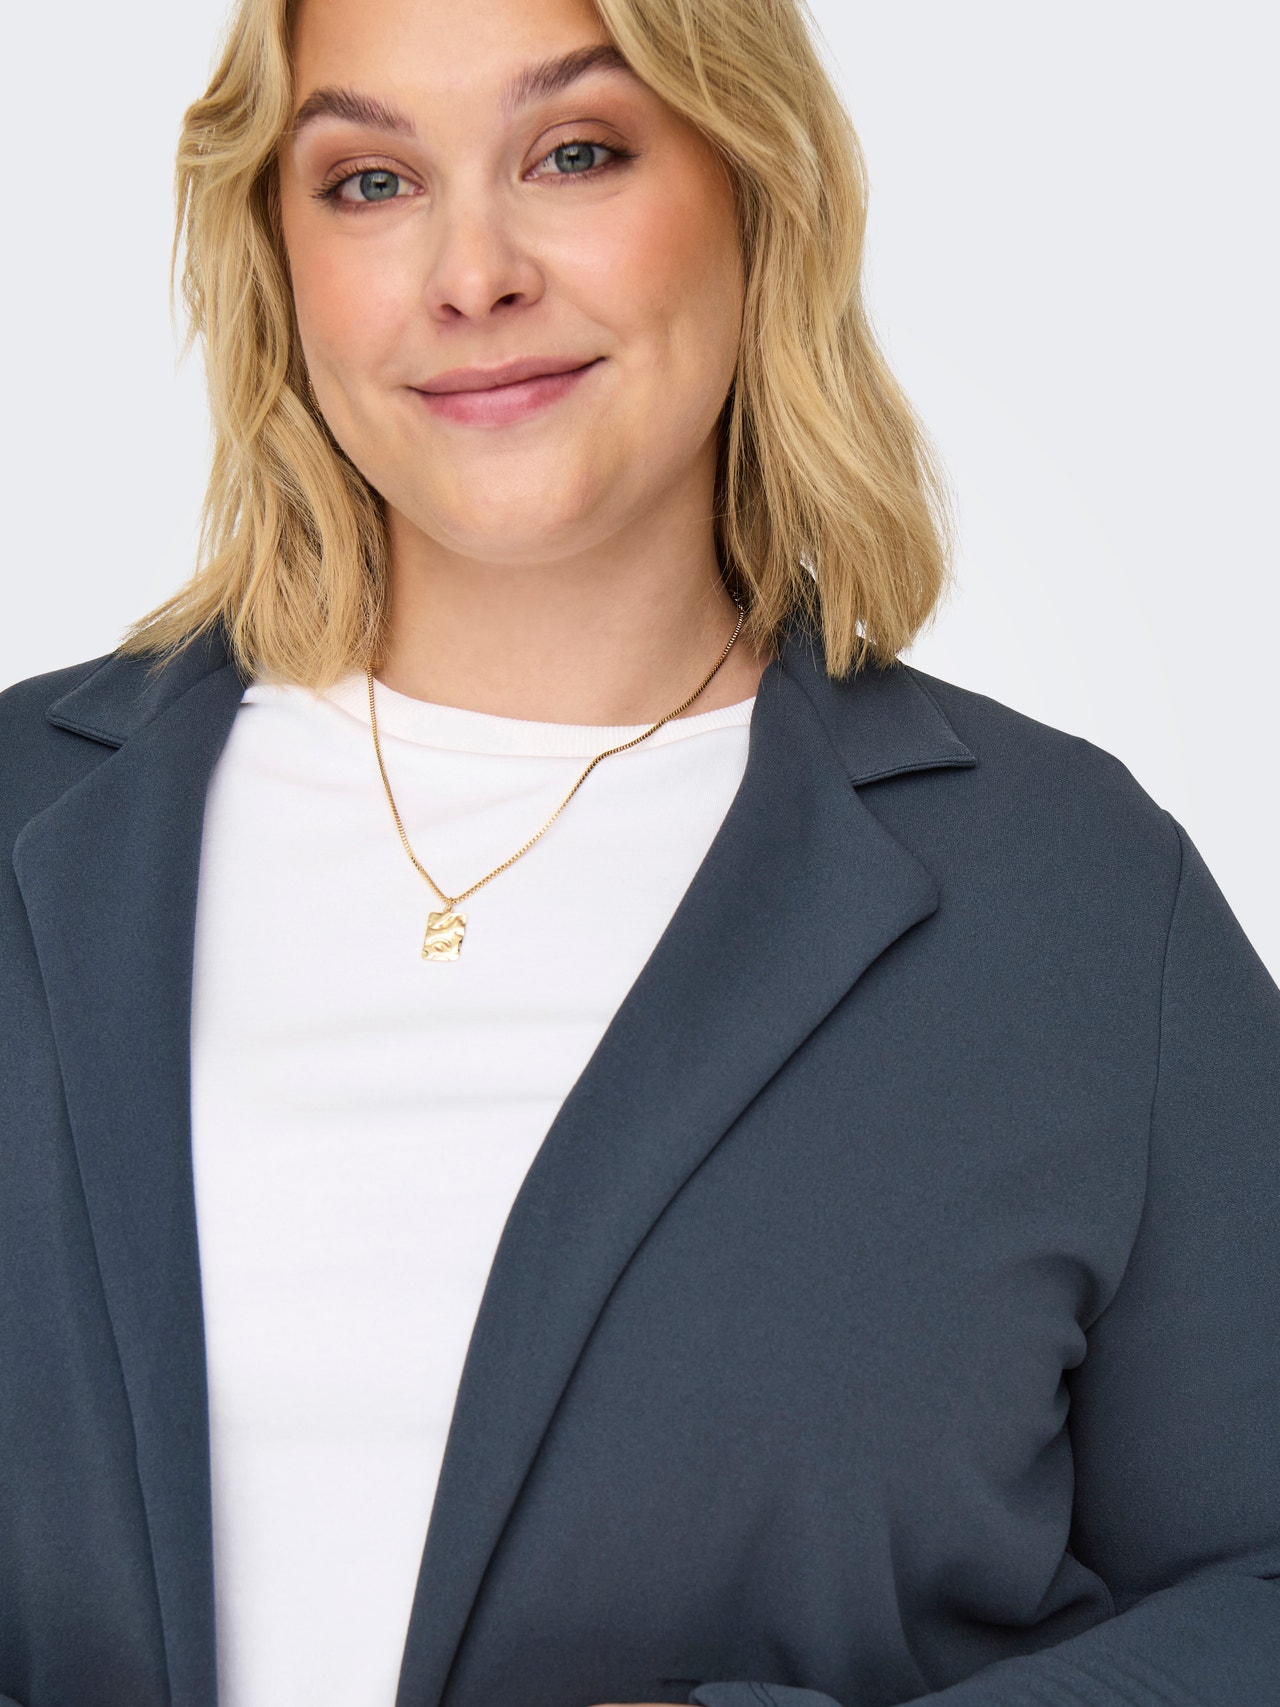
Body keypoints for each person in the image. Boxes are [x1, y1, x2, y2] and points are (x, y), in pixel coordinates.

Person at [1, 0, 1276, 1702]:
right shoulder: (25, 822)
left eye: (577, 153)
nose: (473, 274)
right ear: (275, 254)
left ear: (757, 187)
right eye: (370, 181)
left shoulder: (1077, 908)